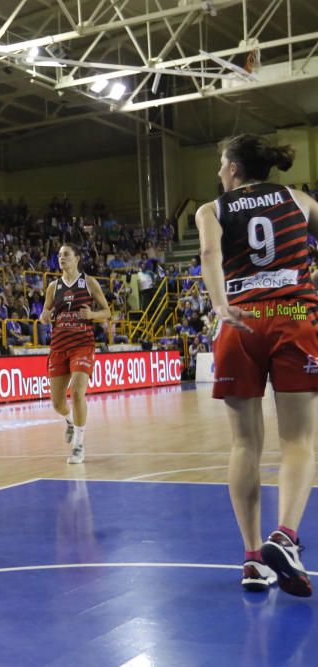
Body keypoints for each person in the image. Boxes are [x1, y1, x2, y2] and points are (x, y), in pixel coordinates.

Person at [196, 134, 318, 596]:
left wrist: (220, 304)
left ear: (232, 168)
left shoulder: (212, 209)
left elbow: (209, 255)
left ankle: (251, 559)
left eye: (219, 164)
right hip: (292, 318)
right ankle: (285, 537)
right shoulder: (299, 199)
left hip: (241, 322)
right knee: (298, 441)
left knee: (244, 444)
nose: (218, 173)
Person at [39, 244, 111, 465]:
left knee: (78, 393)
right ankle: (70, 421)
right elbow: (46, 311)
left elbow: (107, 312)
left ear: (77, 258)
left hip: (83, 344)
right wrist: (44, 316)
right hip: (59, 346)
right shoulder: (53, 286)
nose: (61, 258)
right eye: (59, 256)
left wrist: (92, 314)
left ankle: (79, 445)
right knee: (58, 404)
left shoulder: (89, 283)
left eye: (66, 255)